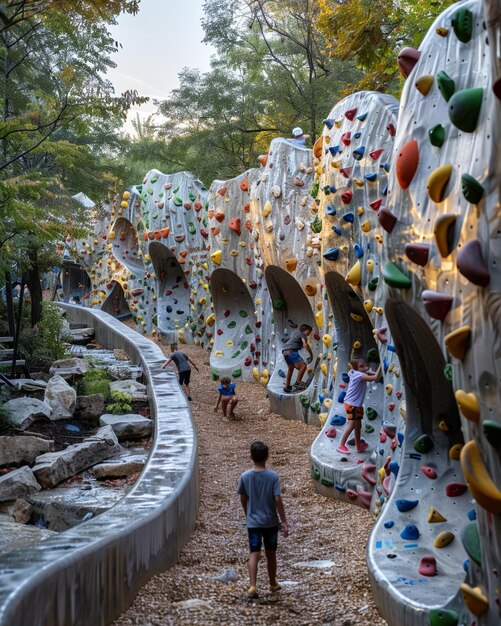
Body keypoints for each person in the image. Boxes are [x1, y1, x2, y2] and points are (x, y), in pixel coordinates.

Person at [237, 441, 289, 599]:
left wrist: (248, 514)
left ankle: (252, 586)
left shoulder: (245, 476)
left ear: (250, 456)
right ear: (267, 456)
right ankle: (272, 583)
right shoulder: (273, 476)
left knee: (254, 552)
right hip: (270, 522)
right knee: (271, 553)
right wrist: (284, 521)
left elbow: (243, 498)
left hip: (253, 522)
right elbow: (278, 499)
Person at [337, 358, 382, 454]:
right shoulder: (360, 375)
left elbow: (366, 371)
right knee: (352, 424)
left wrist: (366, 369)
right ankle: (341, 445)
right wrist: (381, 364)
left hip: (355, 404)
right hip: (352, 404)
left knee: (358, 425)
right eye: (361, 366)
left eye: (364, 365)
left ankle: (358, 445)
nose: (363, 368)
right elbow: (375, 377)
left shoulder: (352, 372)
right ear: (356, 368)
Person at [282, 323, 313, 393]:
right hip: (291, 351)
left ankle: (286, 386)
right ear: (305, 330)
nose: (309, 333)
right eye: (309, 331)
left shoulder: (297, 333)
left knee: (291, 367)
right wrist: (311, 354)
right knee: (303, 366)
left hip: (285, 351)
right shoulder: (303, 334)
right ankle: (298, 383)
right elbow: (305, 344)